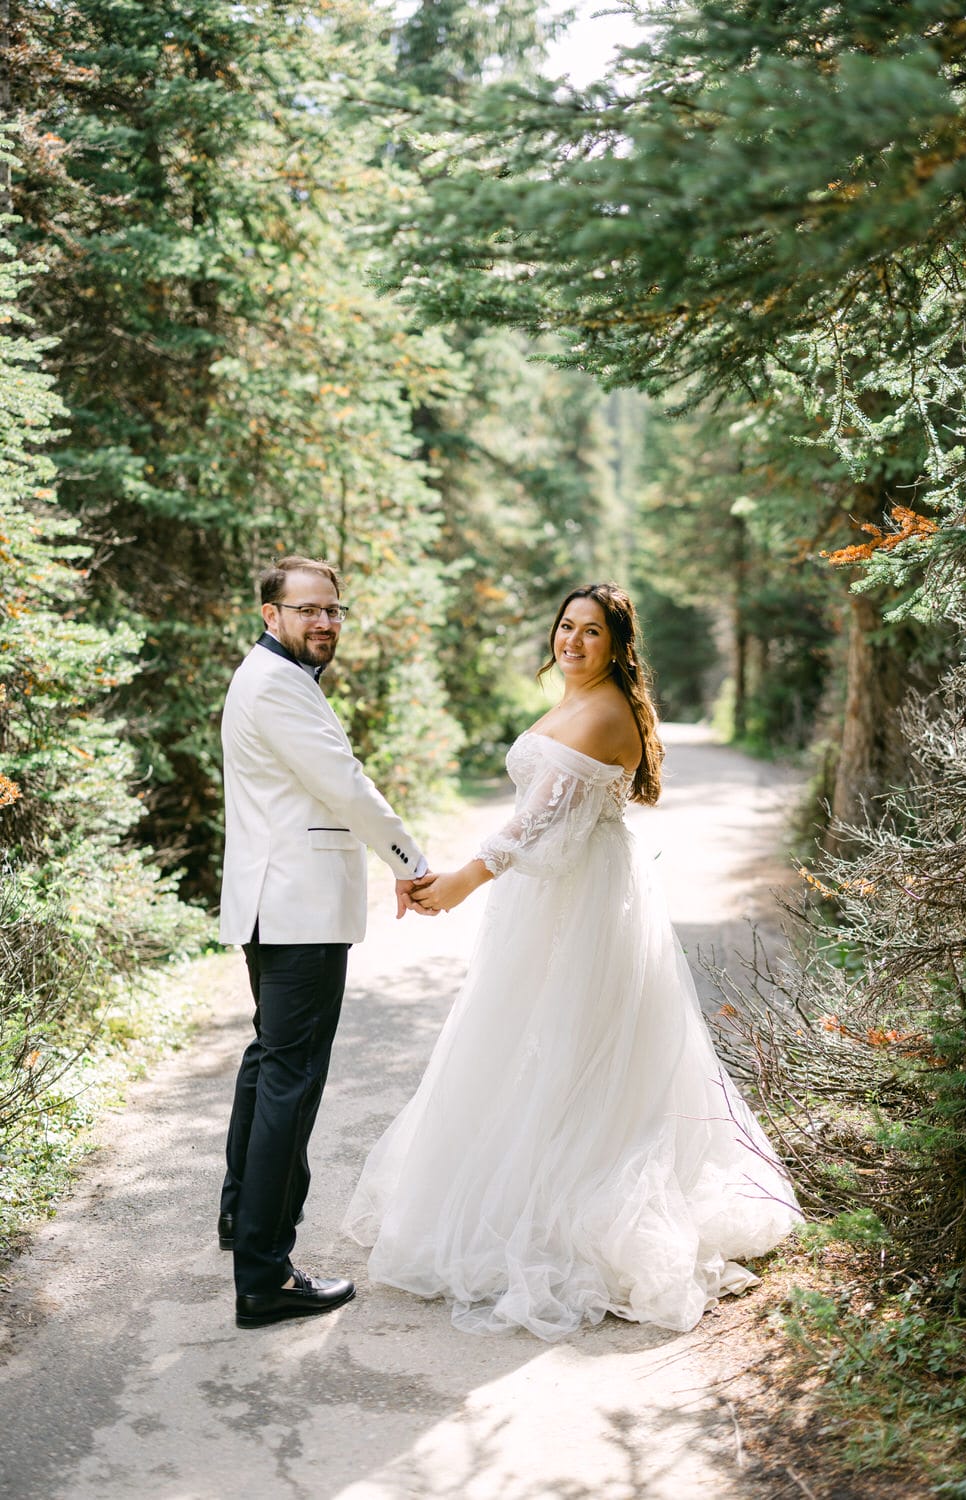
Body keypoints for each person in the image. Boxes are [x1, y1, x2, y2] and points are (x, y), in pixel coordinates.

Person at [344, 582, 800, 1340]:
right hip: (555, 898)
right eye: (565, 627)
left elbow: (535, 820)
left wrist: (457, 882)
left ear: (618, 646)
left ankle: (567, 1209)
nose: (573, 642)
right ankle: (525, 1184)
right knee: (527, 1038)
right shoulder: (575, 699)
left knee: (570, 1044)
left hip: (584, 902)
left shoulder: (601, 711)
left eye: (591, 633)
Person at [218, 554, 432, 1330]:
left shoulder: (270, 677)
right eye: (307, 609)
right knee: (290, 1081)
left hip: (273, 906)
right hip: (296, 913)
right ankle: (266, 1273)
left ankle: (240, 1219)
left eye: (334, 610)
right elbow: (342, 783)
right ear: (270, 614)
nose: (324, 622)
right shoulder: (278, 685)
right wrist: (412, 862)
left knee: (267, 1063)